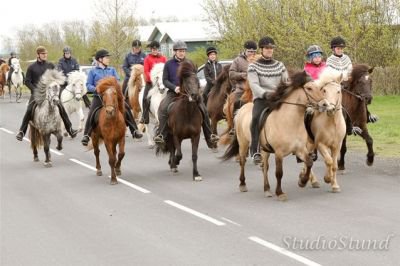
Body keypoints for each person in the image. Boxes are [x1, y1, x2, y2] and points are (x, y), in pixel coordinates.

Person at [153, 40, 218, 148]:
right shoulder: (169, 64)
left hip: (189, 93)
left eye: (183, 51)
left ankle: (209, 136)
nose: (182, 53)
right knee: (163, 108)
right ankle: (162, 135)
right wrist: (174, 87)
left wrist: (196, 90)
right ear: (175, 52)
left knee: (204, 109)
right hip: (174, 93)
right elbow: (165, 80)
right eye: (179, 51)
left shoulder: (190, 63)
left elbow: (194, 79)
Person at [81, 49, 143, 146]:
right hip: (100, 97)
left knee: (126, 107)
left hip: (112, 96)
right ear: (100, 59)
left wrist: (115, 88)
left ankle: (134, 130)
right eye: (106, 58)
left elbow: (117, 81)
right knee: (92, 112)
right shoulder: (93, 72)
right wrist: (95, 89)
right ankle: (86, 135)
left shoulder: (112, 70)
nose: (108, 59)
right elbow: (88, 85)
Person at [15, 46, 78, 141]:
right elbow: (27, 81)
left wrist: (58, 84)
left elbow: (56, 77)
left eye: (46, 54)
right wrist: (35, 90)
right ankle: (21, 131)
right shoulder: (31, 67)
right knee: (29, 109)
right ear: (38, 55)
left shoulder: (50, 65)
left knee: (61, 107)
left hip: (50, 93)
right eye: (43, 54)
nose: (45, 55)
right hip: (37, 93)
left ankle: (70, 129)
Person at [247, 37, 289, 164]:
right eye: (267, 48)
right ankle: (255, 150)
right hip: (262, 99)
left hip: (278, 98)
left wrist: (288, 91)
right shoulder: (253, 66)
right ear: (262, 49)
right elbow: (253, 84)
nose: (269, 50)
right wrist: (265, 94)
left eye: (271, 48)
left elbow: (286, 81)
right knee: (255, 118)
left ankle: (300, 146)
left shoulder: (280, 65)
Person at [327, 36, 378, 124]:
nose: (340, 50)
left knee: (360, 93)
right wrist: (340, 79)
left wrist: (349, 78)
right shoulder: (330, 60)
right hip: (336, 84)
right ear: (333, 49)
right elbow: (330, 73)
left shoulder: (346, 58)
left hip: (347, 82)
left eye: (342, 48)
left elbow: (350, 70)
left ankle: (367, 115)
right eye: (338, 48)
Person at [139, 40, 167, 124]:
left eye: (156, 49)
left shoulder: (163, 58)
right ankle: (144, 117)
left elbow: (166, 70)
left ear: (158, 49)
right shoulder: (147, 58)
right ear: (151, 50)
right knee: (145, 98)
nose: (155, 51)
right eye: (153, 49)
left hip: (162, 82)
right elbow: (146, 71)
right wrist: (152, 79)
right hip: (151, 82)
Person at [229, 40, 257, 116]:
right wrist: (243, 75)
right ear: (245, 50)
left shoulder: (258, 60)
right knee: (236, 102)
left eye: (254, 51)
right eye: (250, 51)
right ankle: (235, 123)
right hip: (242, 88)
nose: (252, 53)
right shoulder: (237, 60)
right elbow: (231, 74)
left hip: (256, 88)